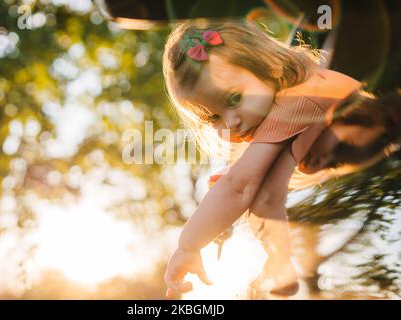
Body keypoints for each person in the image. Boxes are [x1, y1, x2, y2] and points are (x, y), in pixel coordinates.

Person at [161, 21, 396, 298]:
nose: (231, 121)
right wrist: (276, 257)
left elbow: (241, 187)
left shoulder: (298, 101)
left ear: (269, 67)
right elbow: (263, 196)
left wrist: (188, 246)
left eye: (234, 98)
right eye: (214, 117)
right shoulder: (276, 112)